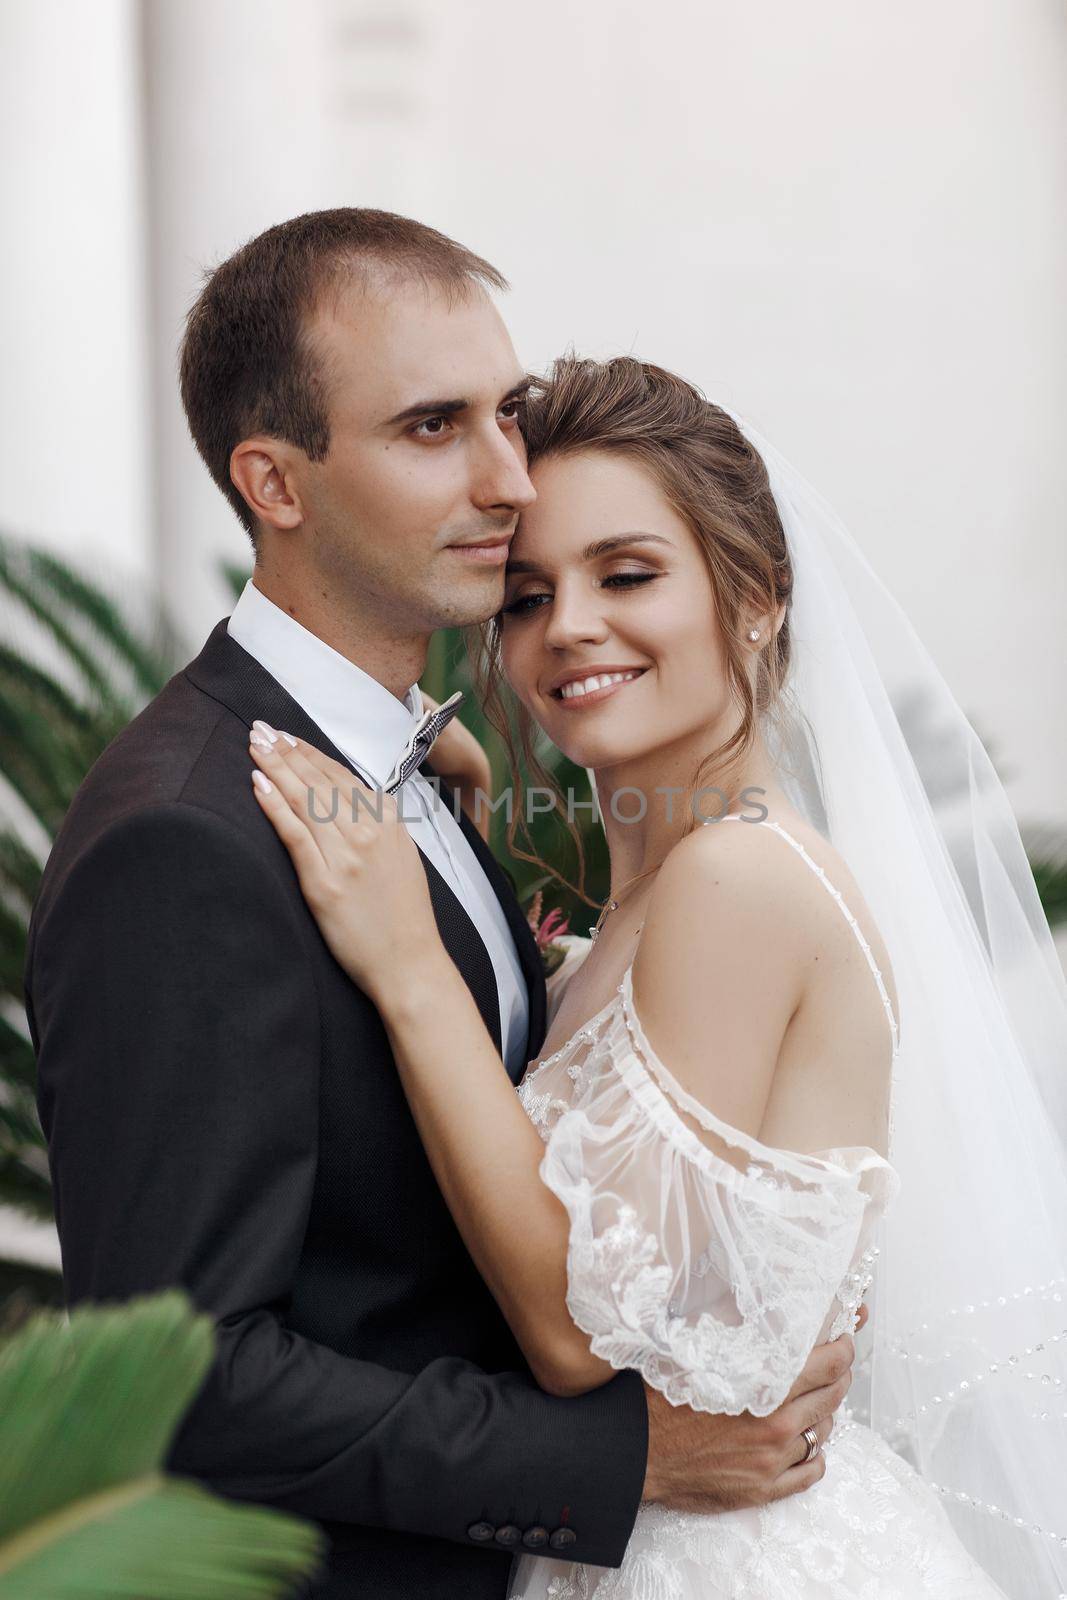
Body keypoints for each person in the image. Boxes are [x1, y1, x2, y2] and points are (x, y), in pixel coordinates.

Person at [24, 212, 854, 1600]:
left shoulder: (426, 769)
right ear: (273, 483)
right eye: (429, 428)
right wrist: (616, 1459)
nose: (506, 478)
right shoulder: (184, 837)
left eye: (505, 414)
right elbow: (189, 1373)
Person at [246, 355, 1067, 1597]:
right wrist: (458, 833)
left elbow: (578, 1336)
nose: (568, 623)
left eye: (626, 574)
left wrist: (413, 960)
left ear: (754, 599)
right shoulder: (659, 887)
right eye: (524, 596)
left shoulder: (734, 883)